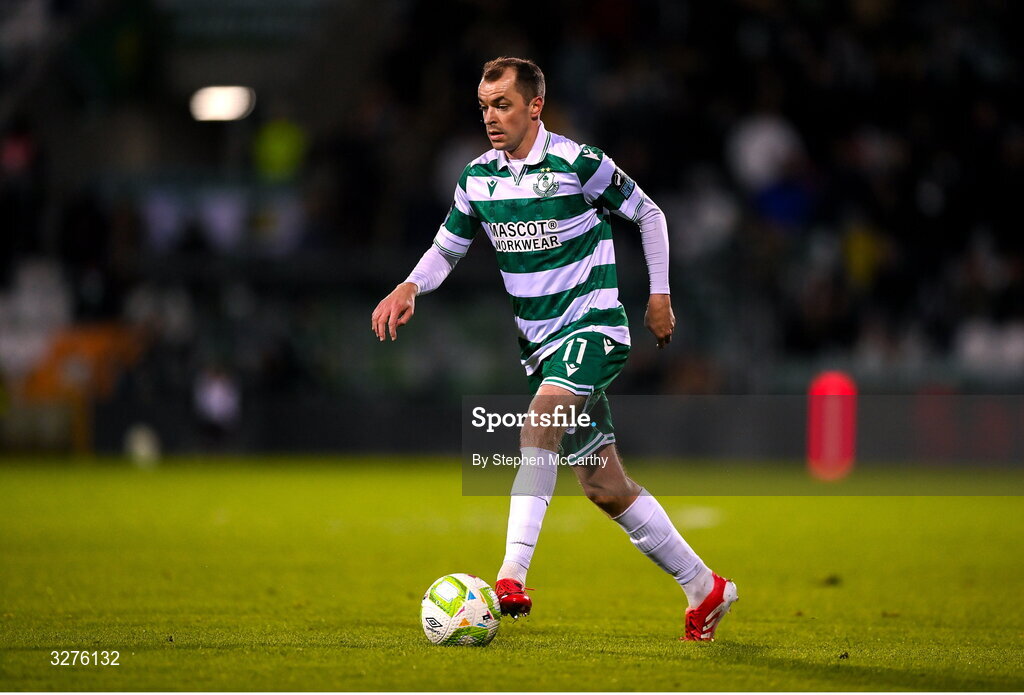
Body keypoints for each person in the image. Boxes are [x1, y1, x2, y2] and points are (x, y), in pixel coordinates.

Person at [372, 57, 737, 641]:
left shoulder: (578, 163)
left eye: (503, 105)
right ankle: (704, 587)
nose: (491, 118)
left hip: (593, 328)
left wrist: (660, 296)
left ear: (534, 106)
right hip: (543, 348)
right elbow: (447, 249)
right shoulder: (477, 179)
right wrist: (411, 285)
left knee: (539, 420)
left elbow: (649, 212)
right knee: (604, 487)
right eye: (485, 106)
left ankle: (511, 574)